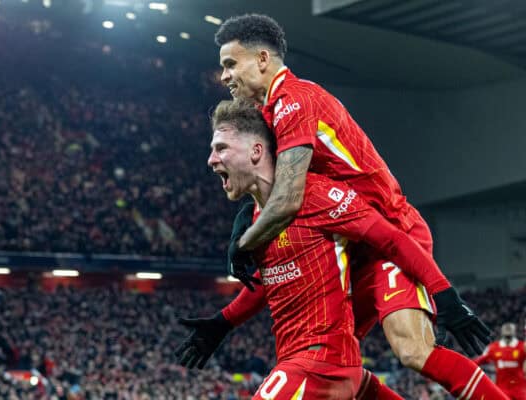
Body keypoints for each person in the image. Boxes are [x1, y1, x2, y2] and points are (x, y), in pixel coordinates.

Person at [212, 14, 495, 399]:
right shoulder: (268, 114)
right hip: (351, 240)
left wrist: (243, 242)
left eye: (230, 64)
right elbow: (270, 191)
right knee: (335, 359)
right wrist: (241, 230)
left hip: (391, 231)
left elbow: (288, 195)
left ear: (262, 59)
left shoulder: (295, 100)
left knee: (412, 350)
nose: (224, 76)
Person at [176, 100, 508, 400]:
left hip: (321, 361)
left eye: (220, 148)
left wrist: (444, 293)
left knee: (413, 351)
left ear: (256, 151)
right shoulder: (259, 219)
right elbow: (270, 279)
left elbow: (391, 239)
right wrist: (224, 321)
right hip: (316, 367)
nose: (211, 159)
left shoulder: (315, 195)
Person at [475, 322, 526, 399]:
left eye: (510, 327)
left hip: (520, 389)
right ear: (501, 331)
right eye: (506, 327)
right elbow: (477, 361)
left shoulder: (522, 346)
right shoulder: (493, 348)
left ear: (515, 331)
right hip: (502, 389)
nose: (508, 328)